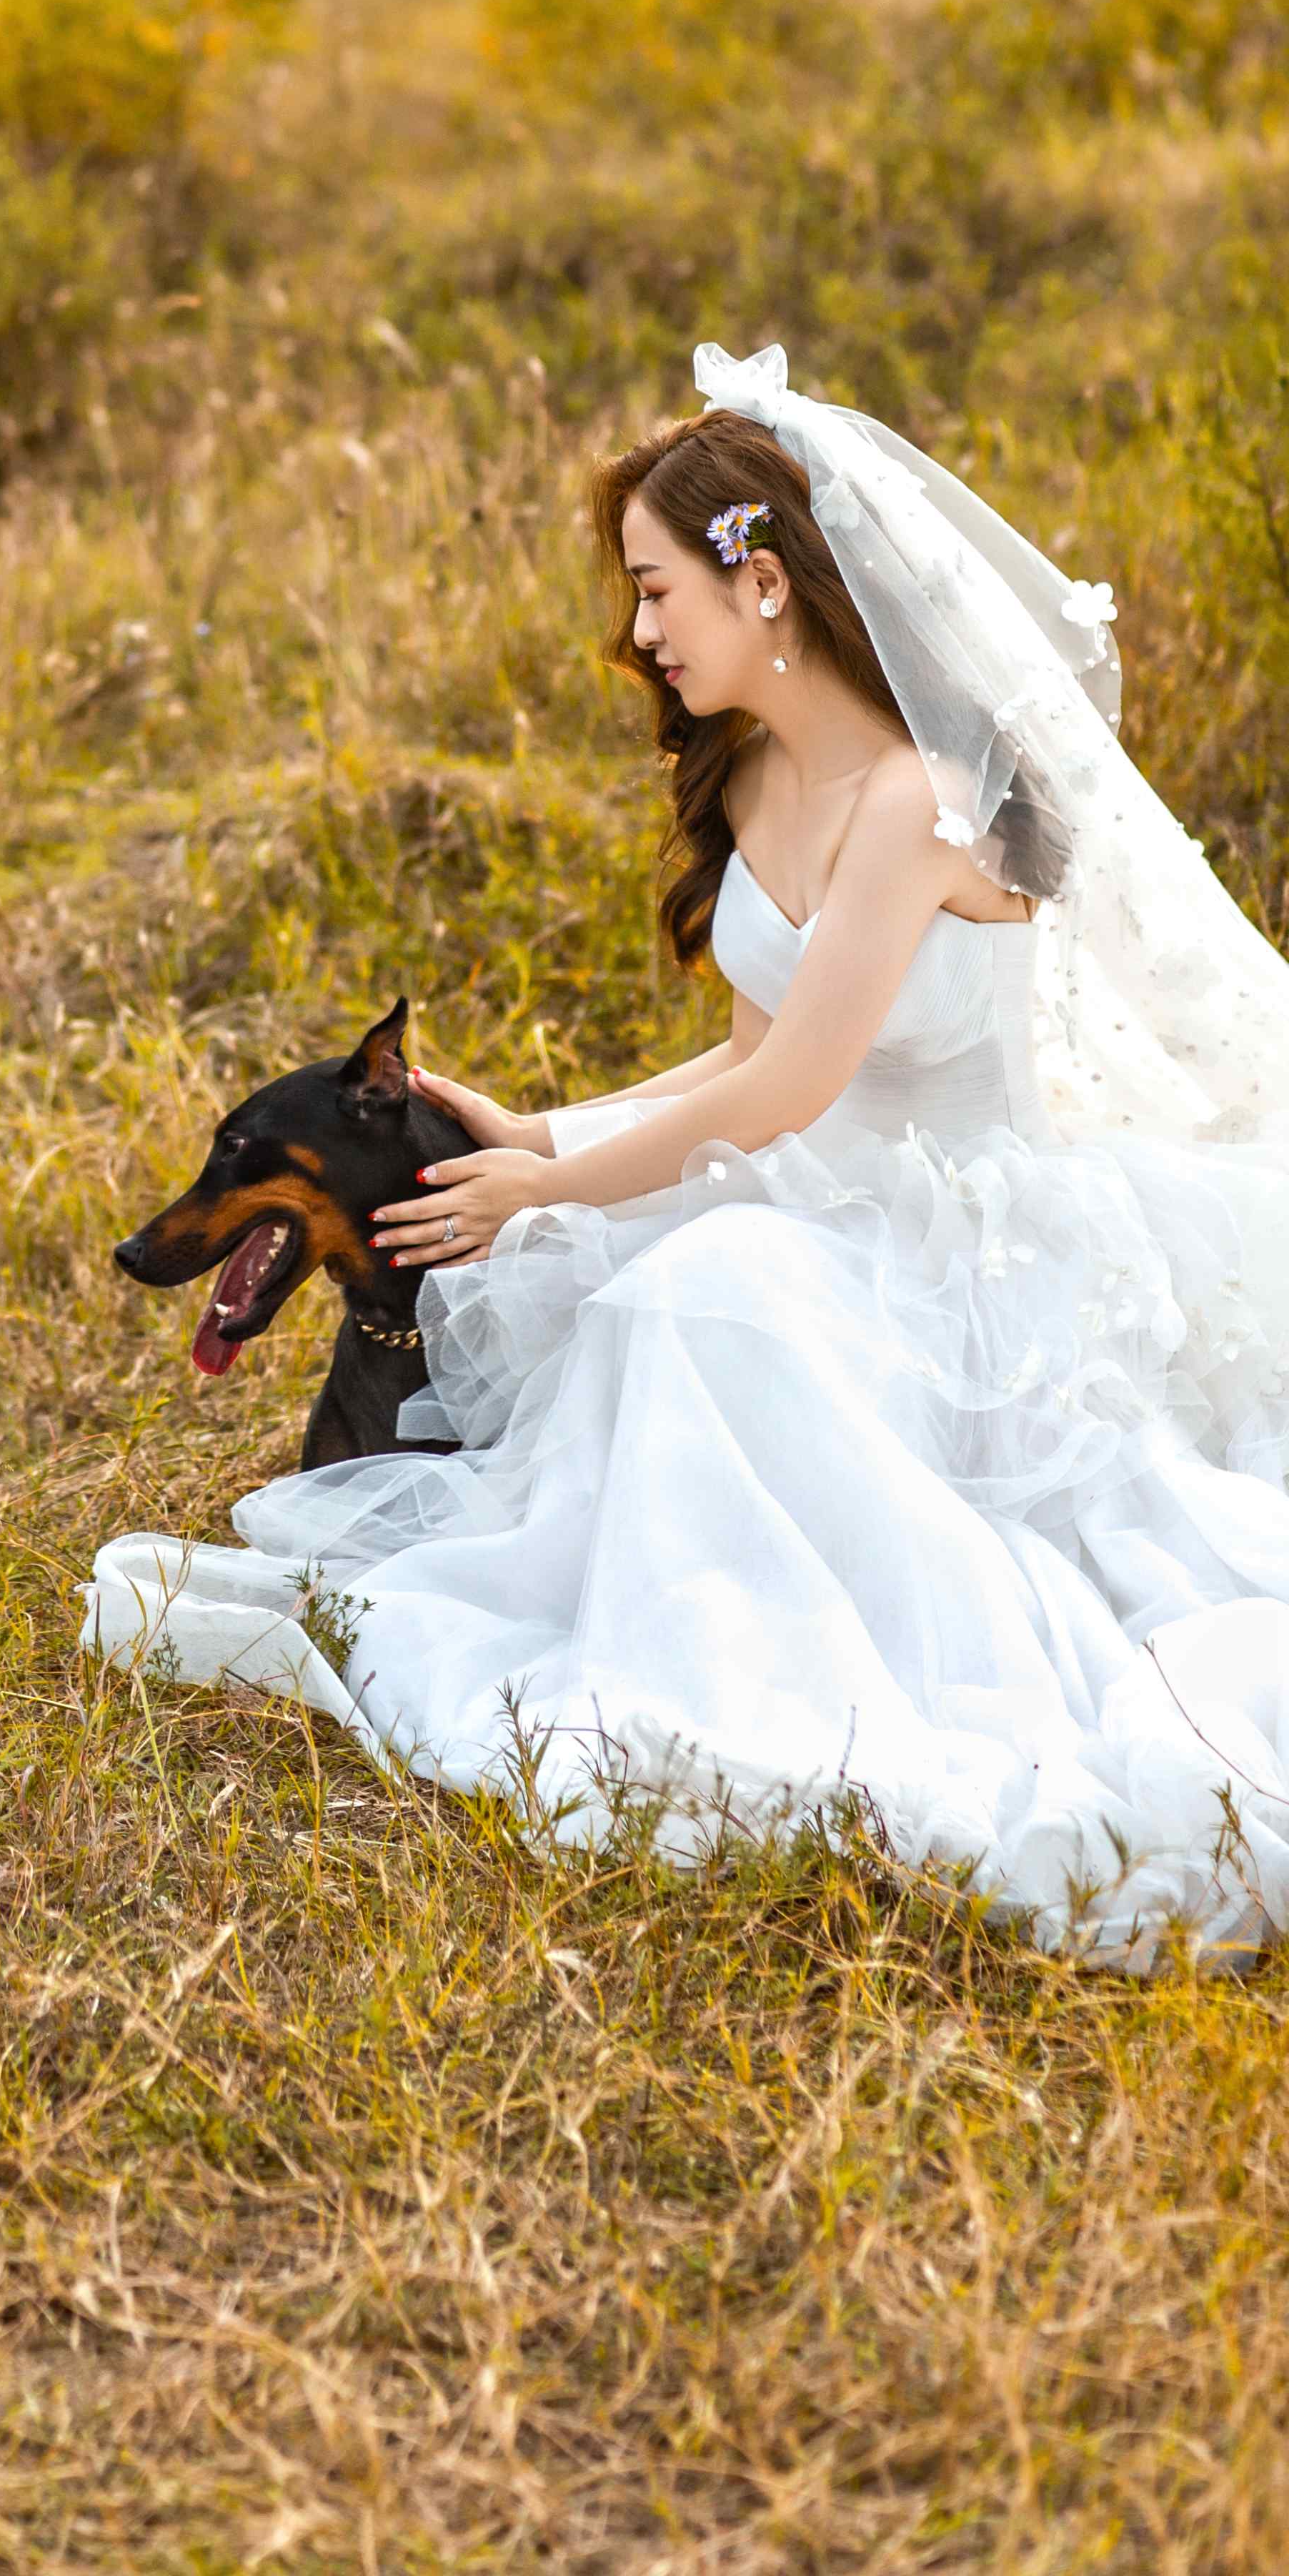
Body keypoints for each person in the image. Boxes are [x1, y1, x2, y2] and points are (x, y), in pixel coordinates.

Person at [86, 340, 1289, 1965]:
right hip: (824, 1198)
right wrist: (546, 1130)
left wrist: (554, 1189)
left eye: (659, 592)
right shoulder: (764, 773)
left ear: (767, 585)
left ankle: (759, 1670)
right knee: (698, 1280)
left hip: (960, 1235)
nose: (639, 634)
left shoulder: (916, 802)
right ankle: (677, 1624)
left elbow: (795, 1083)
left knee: (711, 1281)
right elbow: (734, 1054)